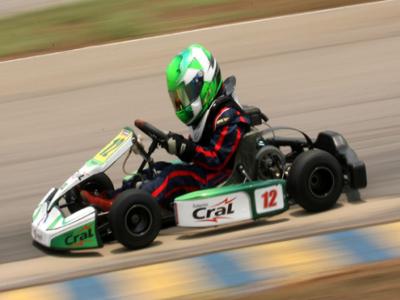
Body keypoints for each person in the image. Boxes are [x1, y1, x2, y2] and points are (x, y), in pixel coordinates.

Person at [82, 44, 250, 211]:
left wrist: (185, 148)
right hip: (208, 171)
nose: (182, 102)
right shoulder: (208, 114)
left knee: (174, 176)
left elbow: (216, 159)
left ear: (204, 84)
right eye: (178, 98)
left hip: (223, 177)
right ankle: (111, 198)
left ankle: (127, 208)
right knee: (156, 170)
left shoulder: (228, 117)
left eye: (186, 94)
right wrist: (176, 145)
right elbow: (195, 155)